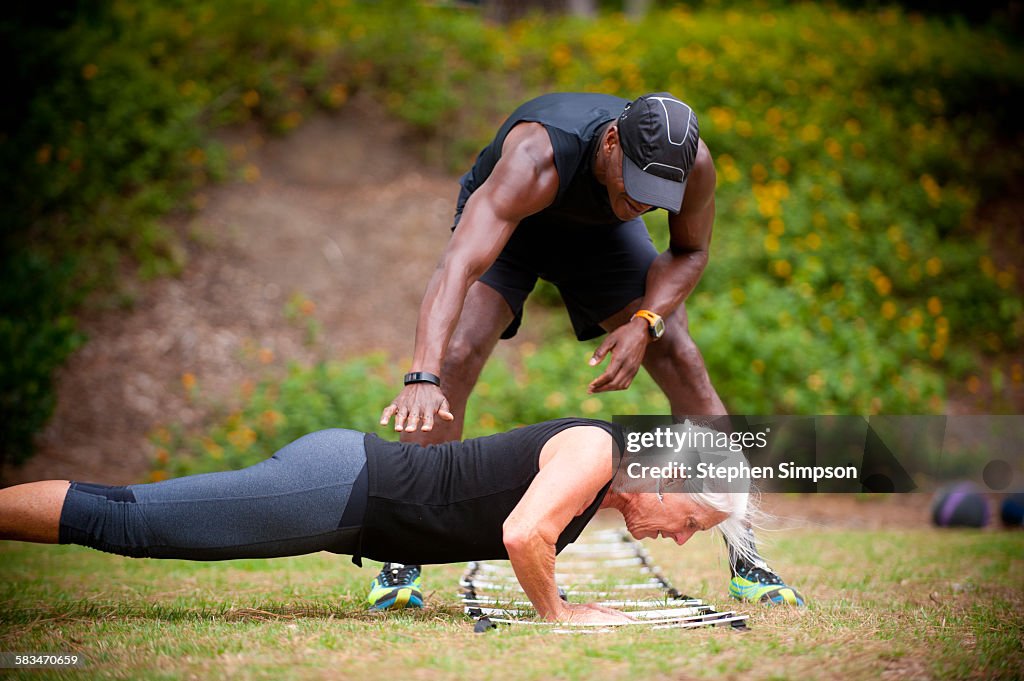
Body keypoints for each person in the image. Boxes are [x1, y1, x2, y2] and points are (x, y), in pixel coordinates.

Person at [375, 92, 804, 609]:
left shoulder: (694, 165)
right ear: (610, 143)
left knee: (682, 358)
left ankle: (747, 556)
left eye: (657, 195)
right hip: (513, 230)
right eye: (639, 185)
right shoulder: (535, 155)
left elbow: (690, 251)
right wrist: (423, 375)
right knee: (458, 353)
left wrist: (646, 322)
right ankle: (401, 555)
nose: (645, 203)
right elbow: (458, 267)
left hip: (602, 238)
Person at [0, 418, 753, 624]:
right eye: (691, 519)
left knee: (130, 516)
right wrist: (558, 614)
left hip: (349, 492)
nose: (682, 537)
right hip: (343, 487)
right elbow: (523, 534)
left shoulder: (604, 481)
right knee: (131, 520)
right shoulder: (597, 450)